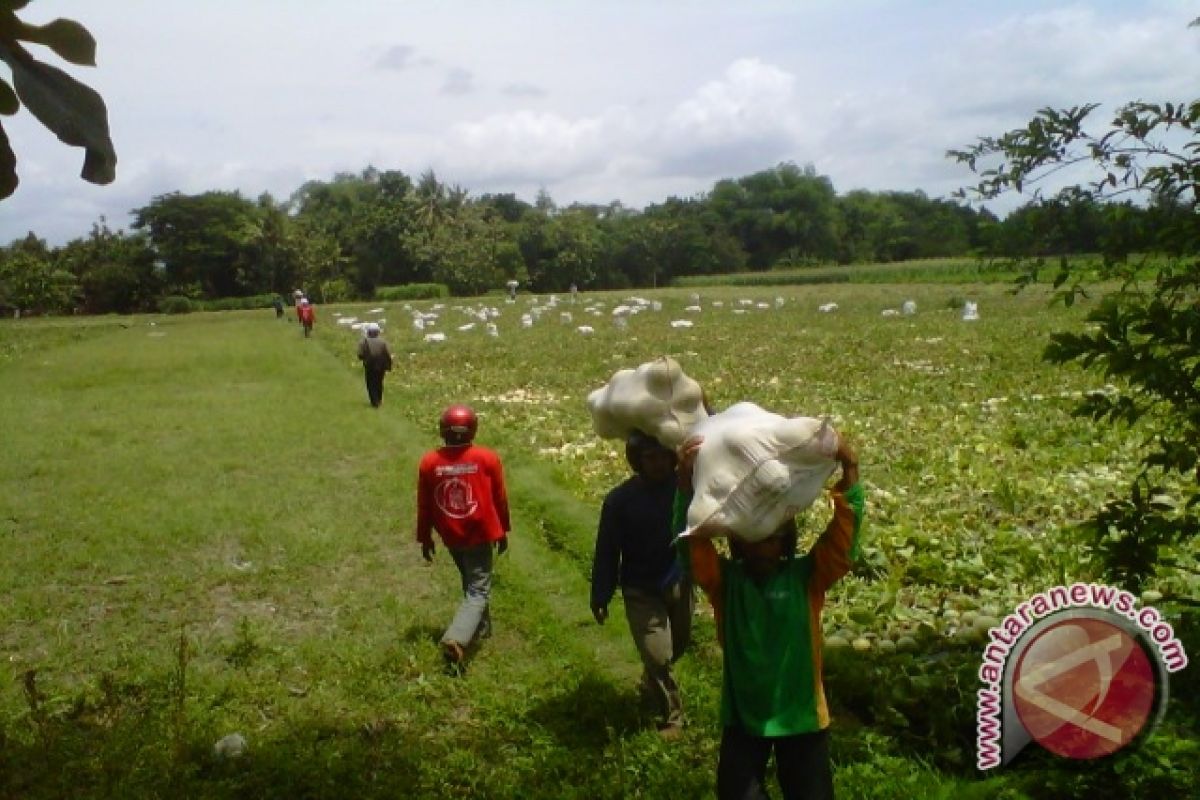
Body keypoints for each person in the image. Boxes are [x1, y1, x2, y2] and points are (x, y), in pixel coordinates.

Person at [676, 435, 863, 800]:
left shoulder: (806, 579)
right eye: (754, 539)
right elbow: (690, 548)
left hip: (803, 719)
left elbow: (843, 543)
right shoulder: (726, 583)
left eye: (772, 539)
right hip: (744, 720)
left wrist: (850, 469)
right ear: (739, 542)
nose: (762, 547)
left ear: (785, 542)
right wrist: (685, 486)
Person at [591, 430, 693, 737]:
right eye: (650, 458)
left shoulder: (684, 489)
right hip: (640, 588)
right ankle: (673, 717)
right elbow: (607, 549)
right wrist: (601, 592)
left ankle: (652, 678)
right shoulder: (620, 501)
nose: (658, 463)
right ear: (637, 460)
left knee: (678, 645)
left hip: (679, 579)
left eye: (664, 456)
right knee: (659, 654)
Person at [416, 404, 511, 666]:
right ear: (473, 429)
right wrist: (503, 529)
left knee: (471, 582)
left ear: (442, 431)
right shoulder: (487, 458)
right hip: (480, 534)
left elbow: (424, 505)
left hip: (451, 533)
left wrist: (425, 537)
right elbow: (500, 498)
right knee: (478, 590)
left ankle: (482, 630)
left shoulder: (430, 462)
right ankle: (457, 638)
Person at [357, 323, 393, 407]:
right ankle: (379, 400)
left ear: (368, 332)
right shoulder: (383, 342)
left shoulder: (363, 342)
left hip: (369, 365)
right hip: (381, 366)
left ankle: (374, 401)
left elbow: (360, 354)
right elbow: (387, 354)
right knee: (379, 382)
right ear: (378, 332)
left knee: (370, 383)